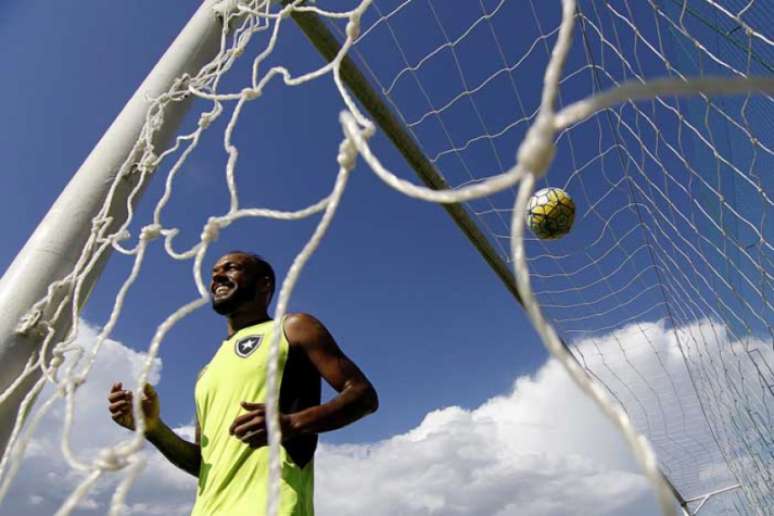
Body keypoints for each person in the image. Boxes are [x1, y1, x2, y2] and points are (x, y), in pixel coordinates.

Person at [108, 251, 378, 515]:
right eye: (214, 273)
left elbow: (363, 395)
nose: (218, 277)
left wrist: (291, 423)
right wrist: (153, 428)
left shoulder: (293, 327)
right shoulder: (206, 372)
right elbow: (203, 463)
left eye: (230, 268)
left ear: (264, 284)